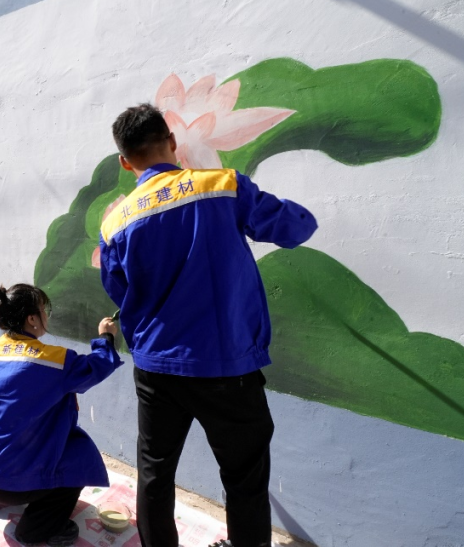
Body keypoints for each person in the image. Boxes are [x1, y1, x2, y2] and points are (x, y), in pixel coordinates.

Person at [98, 104, 318, 547]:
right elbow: (298, 227)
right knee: (244, 479)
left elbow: (120, 291)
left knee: (155, 472)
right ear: (172, 142)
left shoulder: (115, 222)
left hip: (156, 369)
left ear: (124, 161)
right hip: (228, 367)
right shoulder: (223, 186)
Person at [0, 284, 123, 547]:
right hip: (8, 485)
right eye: (45, 310)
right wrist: (106, 337)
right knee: (79, 458)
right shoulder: (54, 361)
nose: (47, 316)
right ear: (32, 319)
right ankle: (34, 530)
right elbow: (97, 366)